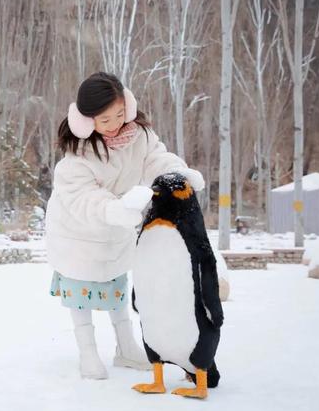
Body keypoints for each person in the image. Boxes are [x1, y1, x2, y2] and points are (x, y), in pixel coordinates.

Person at [46, 72, 205, 379]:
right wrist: (118, 210)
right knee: (82, 292)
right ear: (87, 120)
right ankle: (88, 353)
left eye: (120, 114)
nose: (115, 123)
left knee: (116, 287)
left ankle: (126, 348)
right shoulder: (75, 158)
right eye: (105, 119)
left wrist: (177, 174)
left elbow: (155, 159)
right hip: (78, 235)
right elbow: (85, 200)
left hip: (117, 229)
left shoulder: (138, 136)